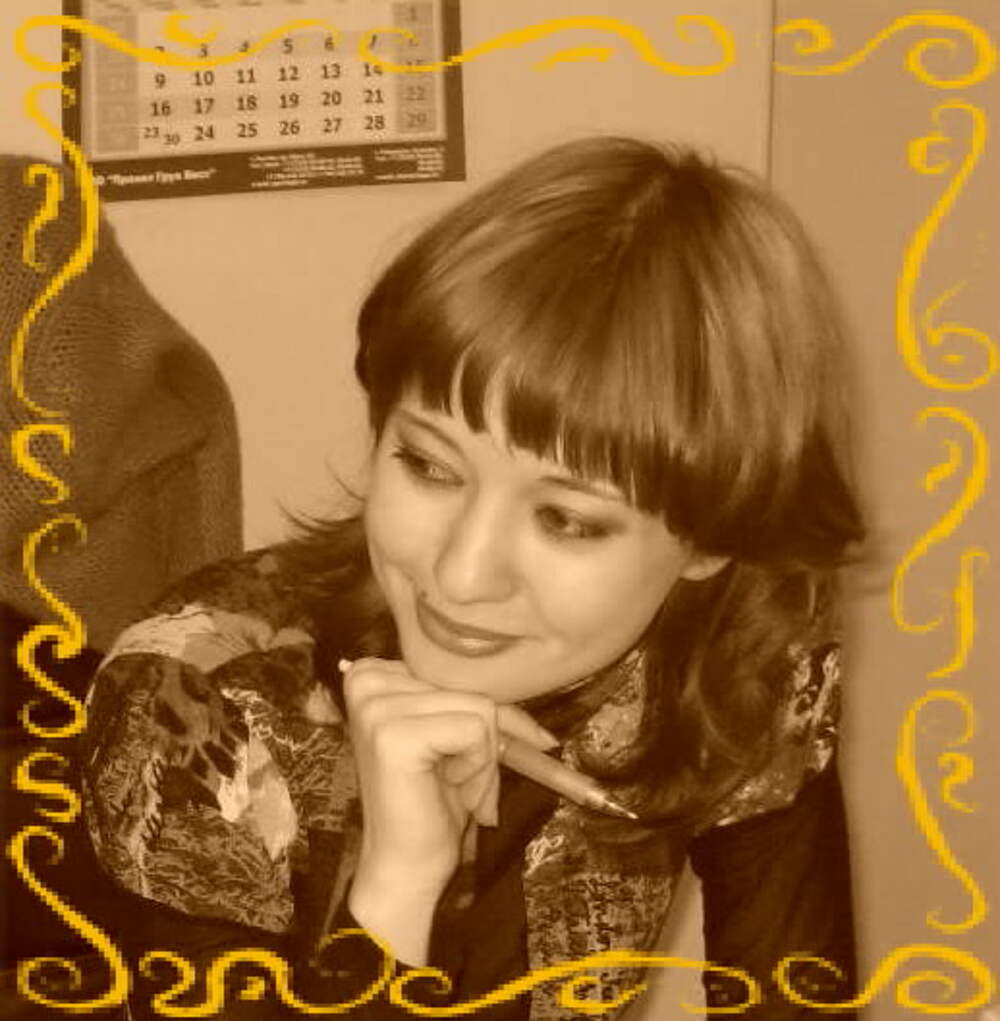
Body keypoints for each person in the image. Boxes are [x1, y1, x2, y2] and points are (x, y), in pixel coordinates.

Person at [81, 136, 865, 1020]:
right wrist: (397, 888)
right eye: (429, 465)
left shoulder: (744, 659)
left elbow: (792, 999)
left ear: (712, 541)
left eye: (567, 519)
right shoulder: (195, 706)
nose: (459, 575)